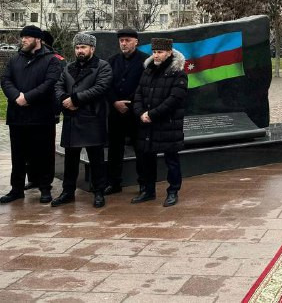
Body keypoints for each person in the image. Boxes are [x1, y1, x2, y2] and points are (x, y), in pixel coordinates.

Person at [0, 26, 62, 205]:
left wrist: (28, 97)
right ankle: (16, 189)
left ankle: (45, 188)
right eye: (23, 37)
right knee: (18, 155)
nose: (23, 40)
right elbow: (5, 80)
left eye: (27, 37)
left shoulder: (51, 60)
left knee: (43, 153)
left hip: (41, 116)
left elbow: (50, 83)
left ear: (38, 39)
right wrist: (17, 97)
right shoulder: (15, 59)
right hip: (17, 116)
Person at [52, 33, 112, 208]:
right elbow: (58, 85)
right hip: (72, 118)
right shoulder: (69, 67)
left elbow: (100, 87)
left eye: (83, 47)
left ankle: (99, 192)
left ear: (92, 48)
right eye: (77, 47)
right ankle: (67, 192)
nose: (80, 51)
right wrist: (64, 99)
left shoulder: (102, 66)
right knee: (70, 159)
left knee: (96, 159)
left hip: (92, 117)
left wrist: (75, 100)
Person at [132, 37, 187, 207]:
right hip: (147, 124)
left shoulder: (178, 73)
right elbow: (138, 94)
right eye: (154, 52)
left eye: (160, 52)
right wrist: (140, 113)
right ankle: (148, 191)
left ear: (169, 53)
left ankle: (173, 192)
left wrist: (152, 114)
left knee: (171, 160)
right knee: (147, 159)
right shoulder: (148, 70)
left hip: (168, 124)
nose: (156, 55)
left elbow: (174, 100)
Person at [105, 28, 149, 195]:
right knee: (115, 149)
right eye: (121, 41)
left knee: (140, 149)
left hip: (136, 112)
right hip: (116, 112)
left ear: (136, 42)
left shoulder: (145, 61)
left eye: (127, 40)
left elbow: (144, 85)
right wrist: (115, 101)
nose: (124, 44)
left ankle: (144, 184)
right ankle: (114, 182)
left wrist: (130, 103)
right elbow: (106, 84)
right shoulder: (112, 61)